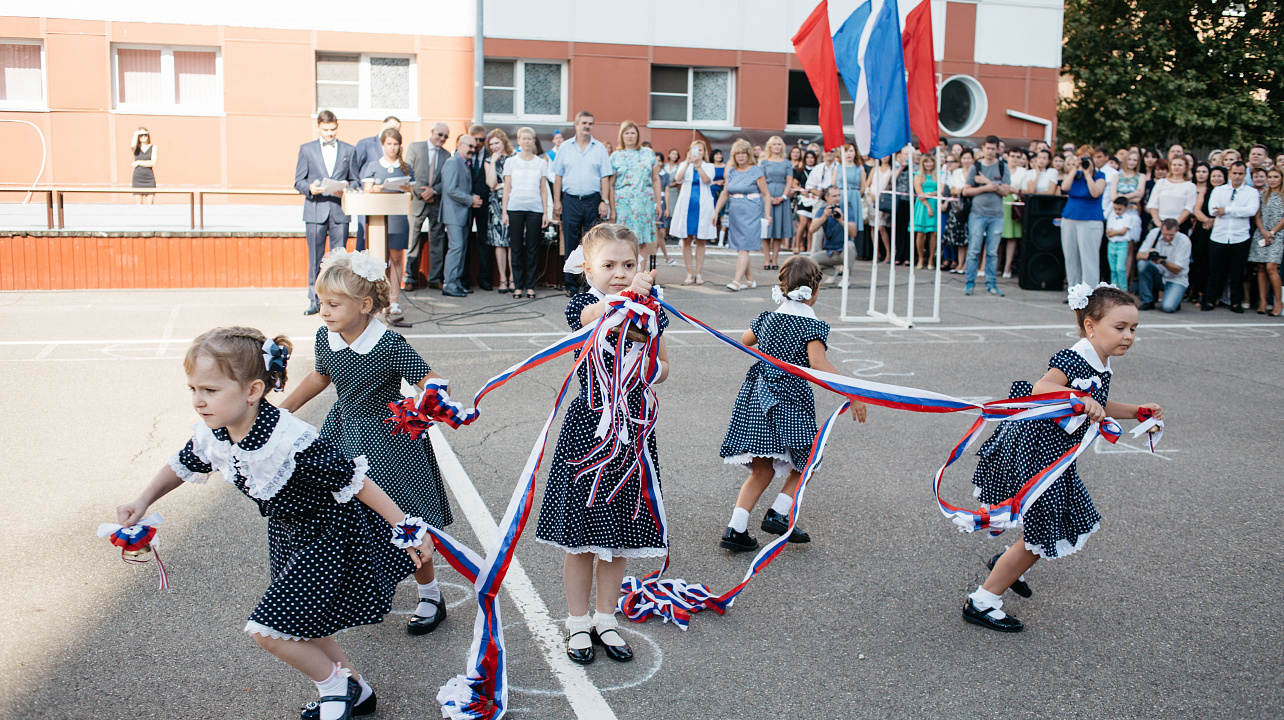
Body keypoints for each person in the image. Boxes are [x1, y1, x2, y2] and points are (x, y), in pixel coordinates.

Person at [115, 327, 429, 719]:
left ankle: (335, 688)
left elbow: (356, 480)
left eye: (210, 390)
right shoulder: (216, 432)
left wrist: (407, 528)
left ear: (253, 391)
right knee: (306, 621)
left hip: (329, 534)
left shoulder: (288, 439)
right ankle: (357, 690)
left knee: (266, 629)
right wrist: (142, 500)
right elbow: (184, 464)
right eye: (193, 389)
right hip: (288, 533)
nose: (198, 401)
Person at [961, 284, 1162, 633]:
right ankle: (981, 601)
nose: (1128, 335)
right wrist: (1080, 400)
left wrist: (1137, 411)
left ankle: (1004, 565)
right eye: (1120, 328)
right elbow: (1042, 388)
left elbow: (1098, 402)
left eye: (1134, 329)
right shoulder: (1075, 357)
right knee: (1043, 533)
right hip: (1036, 456)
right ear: (1090, 326)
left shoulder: (1102, 360)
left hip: (1055, 458)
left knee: (1052, 525)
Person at [280, 249, 454, 641]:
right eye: (321, 302)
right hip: (343, 433)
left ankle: (430, 594)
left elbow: (432, 379)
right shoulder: (327, 337)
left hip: (389, 442)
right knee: (345, 515)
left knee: (405, 518)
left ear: (365, 304)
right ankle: (354, 585)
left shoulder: (389, 345)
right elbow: (320, 377)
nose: (323, 311)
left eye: (333, 304)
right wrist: (284, 409)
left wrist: (431, 399)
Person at [533, 223, 670, 666]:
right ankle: (577, 622)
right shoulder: (585, 305)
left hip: (633, 434)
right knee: (582, 539)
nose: (619, 272)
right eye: (609, 265)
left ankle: (606, 618)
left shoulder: (650, 311)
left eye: (629, 265)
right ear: (587, 268)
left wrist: (650, 370)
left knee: (619, 538)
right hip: (589, 431)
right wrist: (627, 300)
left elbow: (664, 363)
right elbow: (596, 319)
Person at [718, 255, 867, 552]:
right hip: (789, 399)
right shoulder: (811, 325)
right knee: (808, 461)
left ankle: (736, 530)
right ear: (815, 290)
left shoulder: (768, 317)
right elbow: (817, 363)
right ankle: (779, 513)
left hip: (758, 397)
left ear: (782, 287)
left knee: (762, 470)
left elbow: (746, 340)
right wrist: (853, 392)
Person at [294, 110, 359, 315]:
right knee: (316, 257)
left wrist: (347, 187)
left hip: (339, 210)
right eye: (325, 130)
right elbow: (298, 181)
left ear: (337, 126)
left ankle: (338, 298)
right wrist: (309, 188)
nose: (329, 133)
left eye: (332, 129)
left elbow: (356, 180)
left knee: (339, 259)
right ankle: (314, 300)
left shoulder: (349, 150)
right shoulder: (307, 149)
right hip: (315, 209)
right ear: (318, 127)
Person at [552, 111, 614, 296]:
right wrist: (556, 201)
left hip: (593, 200)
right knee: (570, 241)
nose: (587, 126)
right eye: (583, 123)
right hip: (571, 199)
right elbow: (558, 176)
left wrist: (604, 200)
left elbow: (605, 177)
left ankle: (590, 286)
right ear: (576, 125)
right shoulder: (564, 147)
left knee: (593, 243)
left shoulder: (600, 148)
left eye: (590, 123)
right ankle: (571, 286)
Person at [358, 127, 415, 319]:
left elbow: (411, 196)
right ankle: (378, 300)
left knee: (397, 259)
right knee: (378, 261)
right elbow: (366, 190)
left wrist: (407, 188)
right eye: (389, 144)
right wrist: (379, 187)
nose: (392, 147)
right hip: (378, 219)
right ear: (383, 144)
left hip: (398, 218)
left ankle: (395, 300)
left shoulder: (405, 166)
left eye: (395, 144)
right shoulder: (374, 165)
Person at [714, 139, 772, 290]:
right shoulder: (732, 171)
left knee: (743, 248)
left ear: (748, 155)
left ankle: (736, 281)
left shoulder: (756, 171)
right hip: (735, 212)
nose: (740, 156)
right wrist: (716, 212)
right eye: (738, 154)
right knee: (741, 247)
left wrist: (767, 214)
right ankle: (750, 280)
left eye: (743, 153)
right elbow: (725, 193)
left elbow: (766, 194)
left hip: (752, 211)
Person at [1203, 162, 1260, 313]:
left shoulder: (1251, 192)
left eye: (1240, 173)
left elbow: (1251, 210)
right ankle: (1210, 300)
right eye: (1235, 173)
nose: (1237, 176)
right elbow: (1212, 210)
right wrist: (1236, 211)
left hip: (1240, 237)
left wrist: (1226, 210)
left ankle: (1235, 302)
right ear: (1230, 173)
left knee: (1237, 272)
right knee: (1215, 271)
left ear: (1244, 174)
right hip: (1219, 236)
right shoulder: (1219, 190)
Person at [503, 127, 551, 300]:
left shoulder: (541, 163)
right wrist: (504, 211)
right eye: (523, 139)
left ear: (533, 141)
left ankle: (530, 286)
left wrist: (546, 212)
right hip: (515, 207)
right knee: (515, 248)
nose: (526, 142)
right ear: (518, 140)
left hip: (535, 209)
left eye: (529, 139)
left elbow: (543, 189)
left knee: (532, 248)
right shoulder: (511, 162)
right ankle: (517, 286)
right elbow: (507, 188)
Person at [962, 135, 1013, 296]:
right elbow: (966, 190)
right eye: (988, 148)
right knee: (974, 250)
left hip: (996, 215)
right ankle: (969, 283)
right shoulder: (975, 167)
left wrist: (991, 185)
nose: (990, 151)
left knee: (992, 252)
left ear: (997, 149)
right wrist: (985, 187)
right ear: (983, 148)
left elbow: (1006, 191)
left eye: (993, 148)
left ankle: (991, 284)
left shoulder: (1003, 167)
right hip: (977, 214)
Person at [405, 122, 451, 291]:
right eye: (440, 134)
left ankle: (435, 279)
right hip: (416, 201)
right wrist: (421, 192)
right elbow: (407, 171)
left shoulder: (447, 155)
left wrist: (434, 191)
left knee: (437, 242)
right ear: (432, 132)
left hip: (436, 203)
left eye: (446, 136)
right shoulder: (415, 148)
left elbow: (446, 179)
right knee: (412, 240)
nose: (442, 138)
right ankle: (409, 278)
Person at [609, 120, 662, 267]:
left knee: (641, 241)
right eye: (626, 133)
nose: (630, 136)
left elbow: (656, 179)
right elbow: (611, 184)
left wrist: (658, 203)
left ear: (638, 135)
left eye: (633, 132)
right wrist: (612, 209)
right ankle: (624, 275)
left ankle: (639, 277)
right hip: (623, 205)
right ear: (621, 136)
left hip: (643, 204)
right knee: (622, 240)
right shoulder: (615, 156)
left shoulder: (648, 154)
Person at [668, 140, 717, 284]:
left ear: (704, 153)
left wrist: (698, 166)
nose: (698, 153)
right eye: (695, 150)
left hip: (702, 206)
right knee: (686, 239)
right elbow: (677, 179)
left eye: (701, 150)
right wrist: (688, 163)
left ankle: (698, 273)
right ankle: (689, 273)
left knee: (701, 240)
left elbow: (707, 180)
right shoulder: (684, 165)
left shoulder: (709, 166)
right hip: (687, 206)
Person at [439, 134, 482, 297]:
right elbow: (450, 189)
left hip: (463, 213)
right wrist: (471, 199)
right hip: (453, 214)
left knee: (461, 249)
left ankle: (456, 283)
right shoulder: (452, 162)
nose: (473, 149)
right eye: (469, 146)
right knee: (456, 248)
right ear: (459, 145)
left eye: (474, 146)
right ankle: (449, 285)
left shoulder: (464, 163)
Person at [1058, 151, 1107, 287]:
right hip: (1070, 217)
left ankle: (1089, 292)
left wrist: (1087, 173)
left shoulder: (1100, 176)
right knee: (1070, 256)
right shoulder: (1075, 176)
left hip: (1090, 219)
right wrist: (1074, 168)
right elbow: (1064, 187)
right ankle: (1073, 290)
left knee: (1088, 258)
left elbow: (1095, 192)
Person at [354, 116, 401, 252]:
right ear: (383, 125)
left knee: (387, 245)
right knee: (365, 239)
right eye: (392, 126)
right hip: (368, 200)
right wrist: (359, 190)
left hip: (390, 204)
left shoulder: (397, 147)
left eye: (397, 129)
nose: (394, 130)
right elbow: (354, 168)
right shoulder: (366, 143)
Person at [1133, 218, 1191, 313]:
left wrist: (1162, 261)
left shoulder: (1184, 241)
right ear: (1161, 230)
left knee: (1168, 307)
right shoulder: (1154, 233)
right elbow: (1139, 255)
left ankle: (1174, 298)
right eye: (1165, 234)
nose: (1167, 237)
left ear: (1177, 231)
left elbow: (1178, 269)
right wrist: (1149, 255)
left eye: (1171, 235)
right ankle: (1147, 300)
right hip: (1158, 275)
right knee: (1143, 264)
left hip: (1176, 279)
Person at [461, 125, 494, 292]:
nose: (480, 143)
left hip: (485, 204)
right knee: (464, 241)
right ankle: (464, 279)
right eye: (476, 140)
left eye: (482, 139)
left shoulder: (490, 156)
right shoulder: (463, 155)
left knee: (484, 242)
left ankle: (484, 278)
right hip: (466, 203)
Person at [1247, 167, 1284, 316]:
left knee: (1271, 267)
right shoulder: (1262, 194)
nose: (1273, 179)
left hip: (1278, 234)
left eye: (1276, 176)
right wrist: (1263, 231)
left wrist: (1272, 232)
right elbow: (1257, 216)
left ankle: (1278, 302)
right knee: (1261, 267)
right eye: (1270, 177)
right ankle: (1262, 301)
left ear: (1281, 178)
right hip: (1262, 233)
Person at [807, 186, 860, 285]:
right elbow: (812, 229)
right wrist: (824, 216)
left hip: (844, 251)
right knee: (810, 261)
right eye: (834, 196)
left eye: (839, 195)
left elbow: (853, 233)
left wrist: (841, 220)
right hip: (830, 252)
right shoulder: (822, 210)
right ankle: (833, 272)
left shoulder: (847, 210)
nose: (837, 198)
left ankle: (846, 277)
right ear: (827, 198)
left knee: (850, 245)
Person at [484, 129, 515, 293]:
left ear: (503, 142)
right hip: (495, 205)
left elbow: (515, 182)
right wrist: (494, 162)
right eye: (491, 144)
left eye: (497, 142)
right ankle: (503, 279)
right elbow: (491, 184)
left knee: (512, 242)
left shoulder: (514, 158)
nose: (494, 146)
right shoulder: (489, 160)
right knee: (499, 242)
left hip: (512, 201)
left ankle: (512, 279)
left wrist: (502, 185)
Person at [760, 137, 797, 271]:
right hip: (767, 195)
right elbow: (761, 181)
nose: (776, 146)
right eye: (774, 144)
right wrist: (767, 197)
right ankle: (766, 259)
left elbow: (789, 181)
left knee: (778, 231)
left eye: (779, 144)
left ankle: (775, 259)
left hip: (782, 197)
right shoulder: (764, 163)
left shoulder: (786, 163)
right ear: (769, 146)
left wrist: (783, 196)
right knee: (766, 230)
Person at [1187, 163, 1220, 304]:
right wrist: (1207, 220)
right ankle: (1197, 292)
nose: (1216, 178)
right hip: (1203, 229)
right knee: (1199, 262)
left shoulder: (1225, 191)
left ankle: (1210, 295)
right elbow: (1197, 210)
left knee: (1212, 264)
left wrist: (1214, 222)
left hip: (1219, 229)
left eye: (1219, 176)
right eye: (1214, 176)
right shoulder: (1204, 191)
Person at [1147, 156, 1197, 231]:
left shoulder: (1190, 186)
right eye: (1174, 165)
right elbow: (1153, 204)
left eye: (1180, 165)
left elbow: (1189, 208)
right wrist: (1158, 223)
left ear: (1186, 168)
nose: (1177, 167)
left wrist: (1175, 224)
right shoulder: (1161, 182)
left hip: (1180, 225)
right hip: (1159, 223)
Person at [1000, 149, 1028, 278]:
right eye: (1012, 156)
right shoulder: (1001, 168)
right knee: (998, 236)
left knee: (1012, 237)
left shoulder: (1024, 172)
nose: (1015, 159)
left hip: (1014, 204)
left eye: (1018, 156)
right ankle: (995, 266)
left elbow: (1024, 190)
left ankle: (1007, 267)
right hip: (1000, 202)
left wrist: (1012, 189)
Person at [1104, 196, 1141, 289]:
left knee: (1120, 268)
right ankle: (1114, 289)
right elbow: (1108, 232)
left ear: (1126, 207)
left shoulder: (1129, 217)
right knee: (1113, 269)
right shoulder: (1111, 216)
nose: (1117, 211)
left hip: (1122, 244)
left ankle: (1123, 290)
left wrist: (1114, 232)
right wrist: (1117, 232)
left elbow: (1123, 231)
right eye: (1115, 208)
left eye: (1119, 209)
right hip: (1111, 244)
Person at [913, 153, 941, 270]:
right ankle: (920, 258)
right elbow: (919, 193)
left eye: (930, 161)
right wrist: (928, 207)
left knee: (933, 234)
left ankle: (931, 259)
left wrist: (930, 194)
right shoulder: (918, 175)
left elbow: (940, 190)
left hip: (935, 203)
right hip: (922, 205)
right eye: (926, 162)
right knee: (920, 233)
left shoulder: (938, 175)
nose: (928, 164)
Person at [792, 150, 820, 254]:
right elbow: (794, 184)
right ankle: (797, 245)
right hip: (803, 200)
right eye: (808, 157)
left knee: (811, 225)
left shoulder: (818, 170)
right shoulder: (800, 171)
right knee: (802, 223)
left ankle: (810, 247)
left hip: (814, 199)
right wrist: (802, 191)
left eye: (812, 157)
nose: (810, 159)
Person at [130, 127, 157, 204]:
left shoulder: (153, 147)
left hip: (149, 177)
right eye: (141, 135)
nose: (143, 137)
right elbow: (132, 145)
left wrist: (138, 162)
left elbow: (153, 163)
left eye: (145, 134)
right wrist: (136, 133)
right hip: (138, 177)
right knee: (138, 204)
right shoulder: (136, 148)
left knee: (150, 204)